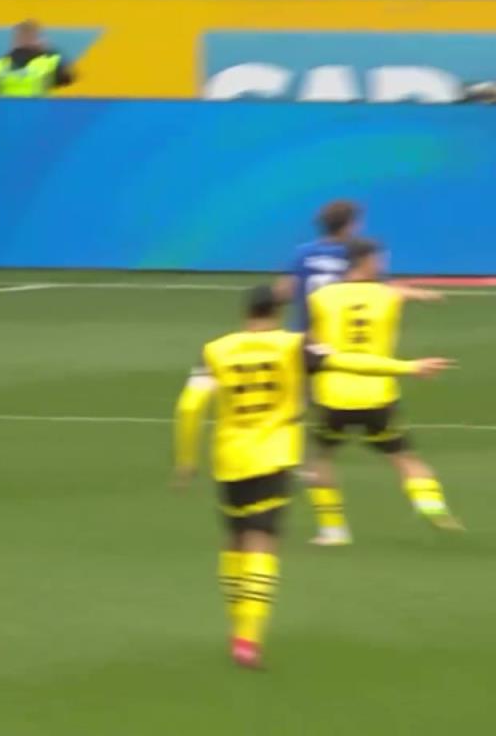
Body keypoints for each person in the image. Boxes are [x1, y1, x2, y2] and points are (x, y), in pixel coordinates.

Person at [173, 285, 453, 669]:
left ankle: (236, 621)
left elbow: (189, 407)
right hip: (273, 457)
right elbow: (346, 361)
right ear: (277, 313)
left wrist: (186, 461)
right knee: (261, 543)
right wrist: (408, 367)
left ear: (246, 313)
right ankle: (248, 639)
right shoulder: (294, 345)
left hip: (229, 458)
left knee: (235, 541)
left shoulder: (214, 350)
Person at [306, 239, 460, 547]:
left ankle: (333, 530)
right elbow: (406, 293)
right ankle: (430, 504)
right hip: (377, 395)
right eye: (379, 259)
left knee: (320, 458)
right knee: (404, 457)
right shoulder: (389, 294)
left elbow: (311, 343)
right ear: (366, 262)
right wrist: (428, 295)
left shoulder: (320, 297)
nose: (382, 264)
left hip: (333, 396)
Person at [276, 199, 361, 332]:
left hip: (304, 334)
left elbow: (283, 292)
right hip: (338, 335)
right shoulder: (356, 254)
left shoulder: (303, 253)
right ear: (349, 225)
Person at [0, 20, 75, 98]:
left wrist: (49, 50)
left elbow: (67, 78)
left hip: (36, 112)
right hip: (6, 113)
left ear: (37, 39)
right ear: (16, 39)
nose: (25, 40)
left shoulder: (48, 63)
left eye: (30, 36)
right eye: (22, 36)